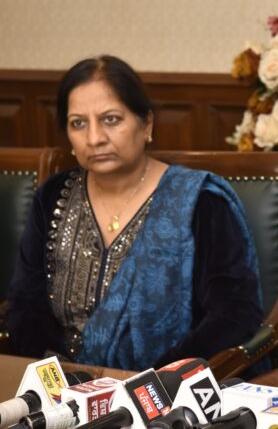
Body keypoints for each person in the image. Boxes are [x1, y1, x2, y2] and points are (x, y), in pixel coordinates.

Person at [8, 55, 264, 370]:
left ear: (147, 124)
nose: (94, 138)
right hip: (61, 384)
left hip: (167, 386)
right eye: (78, 123)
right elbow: (26, 305)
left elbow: (234, 314)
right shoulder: (53, 196)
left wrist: (156, 381)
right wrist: (60, 376)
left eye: (111, 119)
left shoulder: (199, 201)